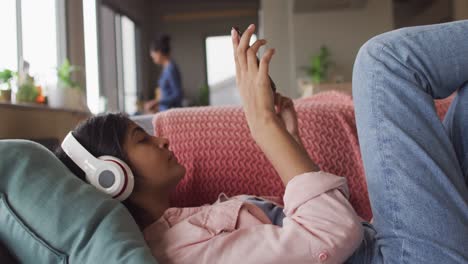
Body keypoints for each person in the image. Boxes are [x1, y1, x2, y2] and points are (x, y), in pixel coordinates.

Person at [54, 21, 468, 263]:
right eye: (142, 139)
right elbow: (332, 234)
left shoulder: (175, 223)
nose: (161, 142)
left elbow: (309, 238)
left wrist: (288, 138)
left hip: (388, 240)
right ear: (113, 178)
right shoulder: (183, 255)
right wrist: (262, 125)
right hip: (405, 256)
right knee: (383, 63)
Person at [146, 34, 183, 113]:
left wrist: (157, 102)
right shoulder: (166, 68)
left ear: (159, 52)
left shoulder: (171, 69)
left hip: (171, 114)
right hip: (165, 112)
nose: (153, 58)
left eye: (153, 56)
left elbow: (178, 95)